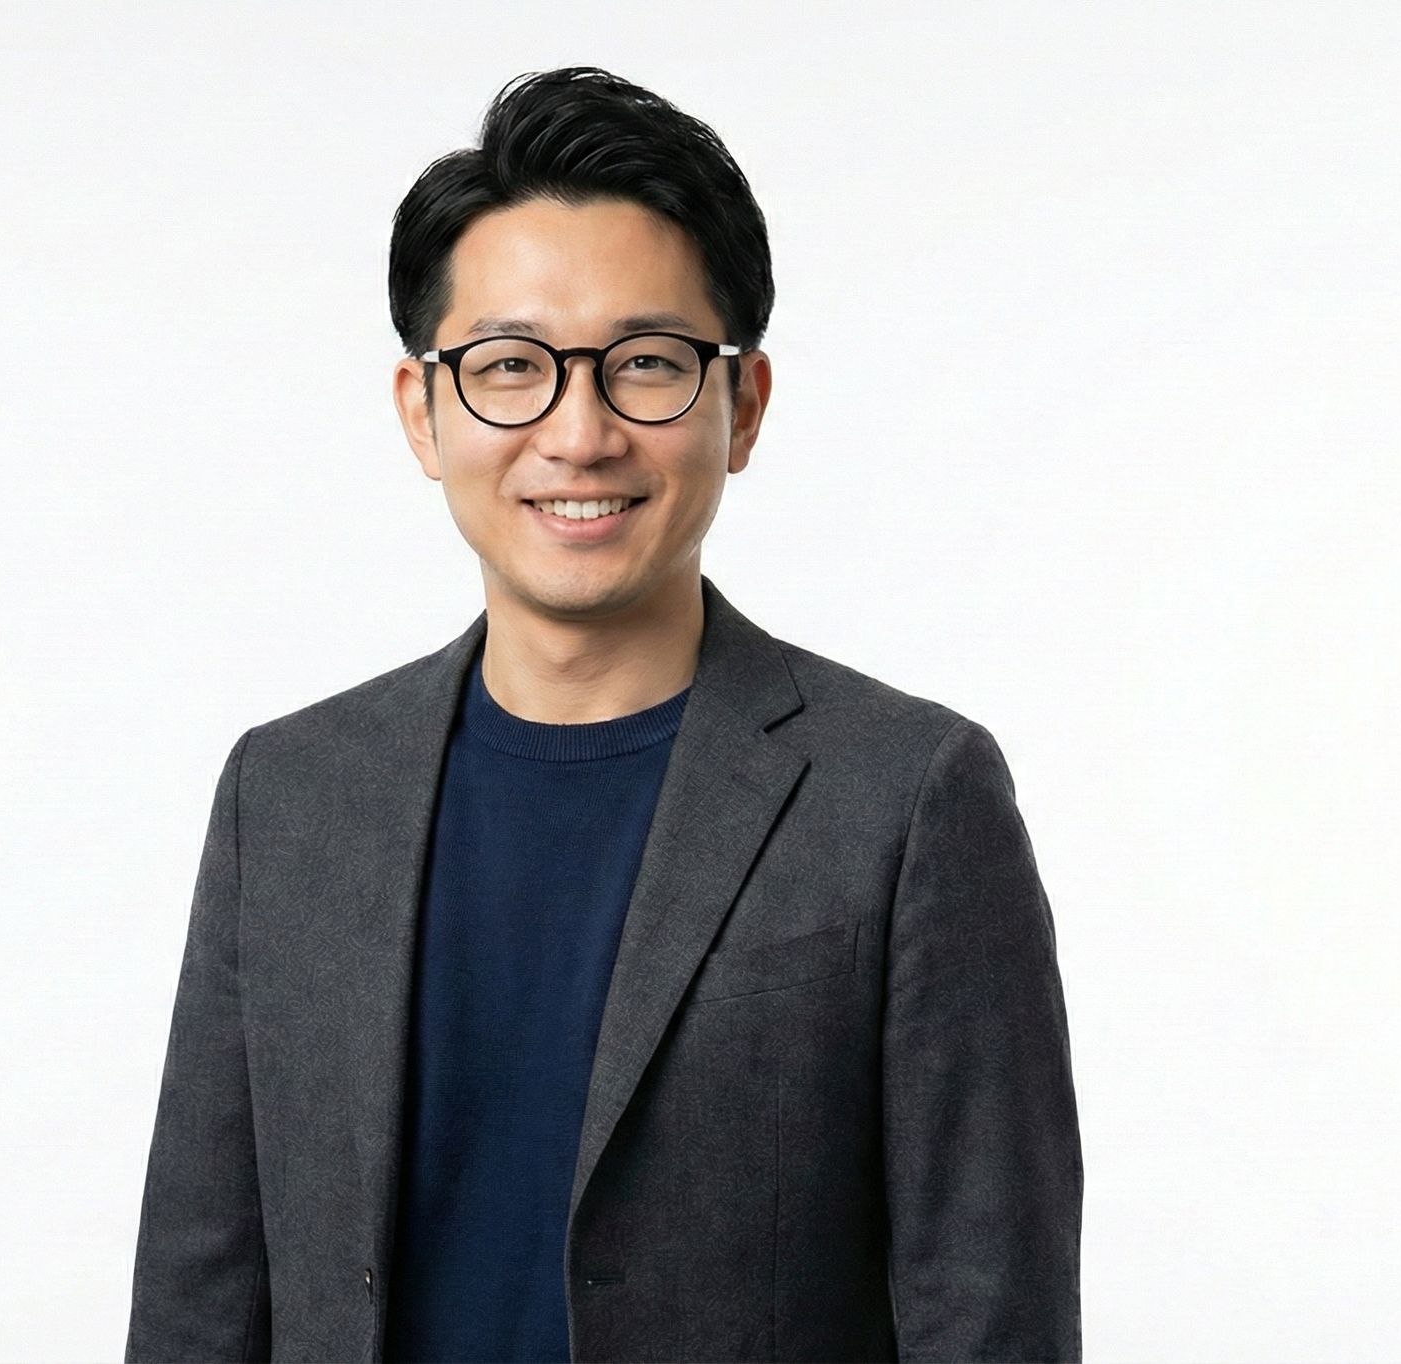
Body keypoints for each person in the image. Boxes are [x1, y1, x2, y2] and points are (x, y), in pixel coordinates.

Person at [127, 68, 1081, 1363]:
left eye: (645, 364)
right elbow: (200, 1300)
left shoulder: (907, 801)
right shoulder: (289, 796)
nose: (578, 434)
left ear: (740, 407)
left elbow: (993, 1321)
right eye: (511, 366)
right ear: (424, 410)